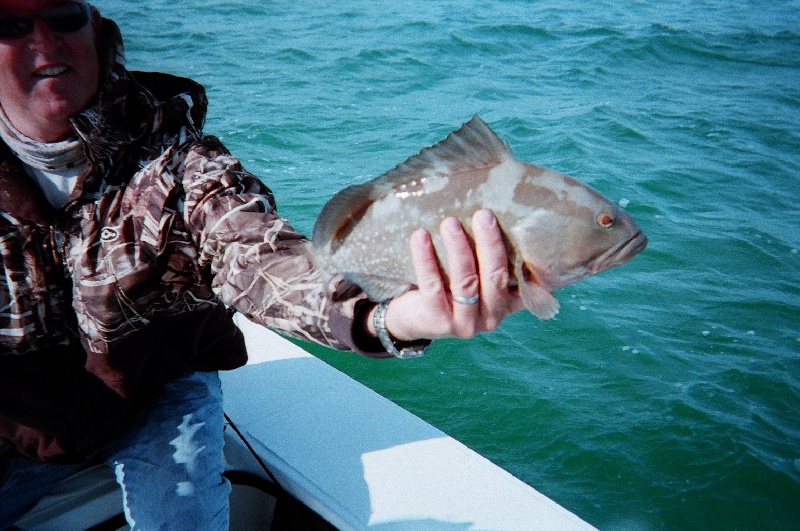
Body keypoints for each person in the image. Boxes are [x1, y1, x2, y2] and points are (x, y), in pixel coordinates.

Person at [0, 0, 524, 528]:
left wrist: (389, 318)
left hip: (155, 387)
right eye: (11, 26)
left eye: (63, 15)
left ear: (97, 31)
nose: (45, 43)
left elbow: (261, 259)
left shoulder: (182, 162)